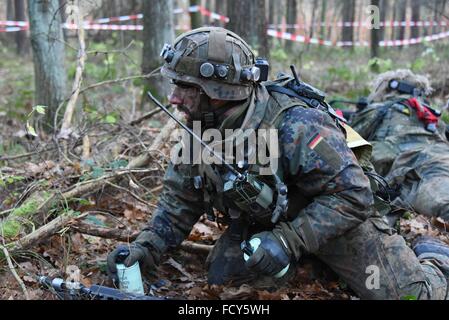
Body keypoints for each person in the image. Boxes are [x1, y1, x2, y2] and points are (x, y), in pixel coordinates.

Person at [107, 28, 449, 299]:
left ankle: (433, 257)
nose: (173, 98)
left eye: (184, 86)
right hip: (268, 221)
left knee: (409, 296)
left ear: (217, 92)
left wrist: (288, 241)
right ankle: (314, 263)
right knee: (225, 277)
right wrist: (146, 247)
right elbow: (179, 201)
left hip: (340, 222)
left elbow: (353, 196)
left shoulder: (296, 124)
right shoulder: (200, 126)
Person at [350, 69, 449, 221]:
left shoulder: (380, 110)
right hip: (436, 164)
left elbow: (343, 139)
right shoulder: (433, 117)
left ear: (387, 89)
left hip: (416, 172)